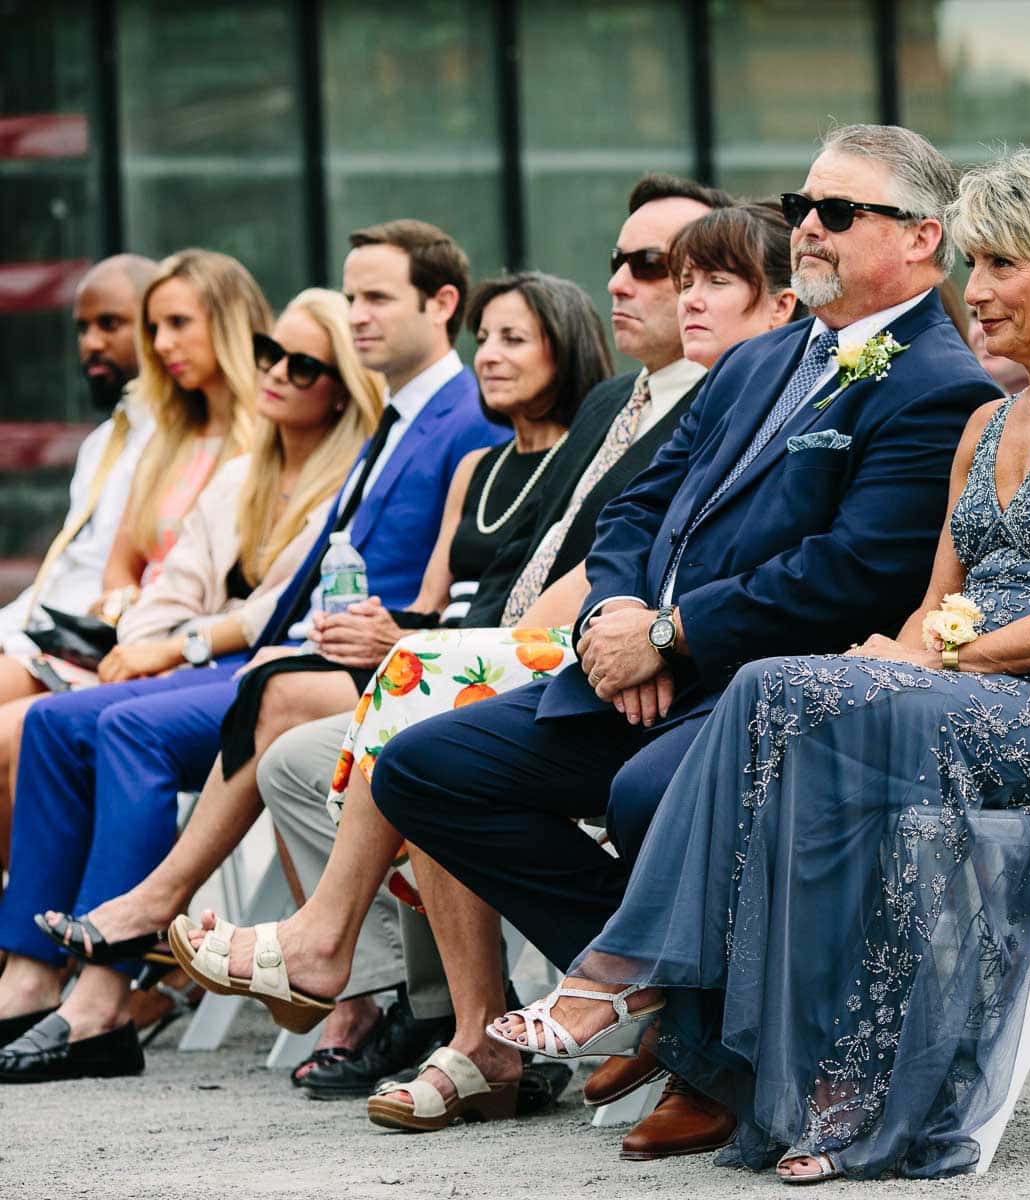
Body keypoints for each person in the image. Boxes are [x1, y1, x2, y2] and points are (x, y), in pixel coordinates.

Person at [170, 124, 1001, 1148]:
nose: (808, 230)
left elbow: (854, 573)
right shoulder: (762, 359)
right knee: (424, 767)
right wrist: (618, 617)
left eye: (838, 212)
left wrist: (674, 635)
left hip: (778, 690)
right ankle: (680, 1008)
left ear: (922, 239)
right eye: (801, 208)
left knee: (641, 791)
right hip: (639, 671)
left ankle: (669, 1021)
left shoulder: (938, 383)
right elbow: (635, 507)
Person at [473, 143, 1030, 1184]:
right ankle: (822, 1087)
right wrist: (896, 658)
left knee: (778, 687)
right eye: (974, 264)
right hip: (953, 695)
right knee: (805, 720)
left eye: (999, 267)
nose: (975, 291)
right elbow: (931, 608)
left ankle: (627, 978)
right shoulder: (986, 421)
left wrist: (936, 661)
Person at [141, 181, 732, 1103]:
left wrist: (621, 631)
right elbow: (612, 543)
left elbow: (639, 562)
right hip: (559, 639)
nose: (627, 281)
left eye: (660, 267)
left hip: (626, 654)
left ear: (766, 294)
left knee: (398, 689)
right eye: (623, 261)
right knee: (337, 722)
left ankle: (346, 958)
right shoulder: (620, 399)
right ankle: (435, 1010)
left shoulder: (725, 388)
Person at [0, 286, 383, 1082]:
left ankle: (106, 995)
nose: (274, 371)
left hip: (274, 668)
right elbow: (169, 589)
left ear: (342, 381)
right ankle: (30, 975)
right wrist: (162, 640)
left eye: (302, 364)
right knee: (52, 722)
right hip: (210, 666)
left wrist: (190, 636)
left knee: (123, 730)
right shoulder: (245, 472)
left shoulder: (356, 471)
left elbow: (280, 610)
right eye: (271, 352)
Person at [0, 255, 158, 862]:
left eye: (110, 324)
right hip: (50, 634)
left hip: (104, 646)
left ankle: (42, 929)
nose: (91, 343)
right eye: (82, 327)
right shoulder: (104, 441)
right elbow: (65, 568)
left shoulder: (182, 441)